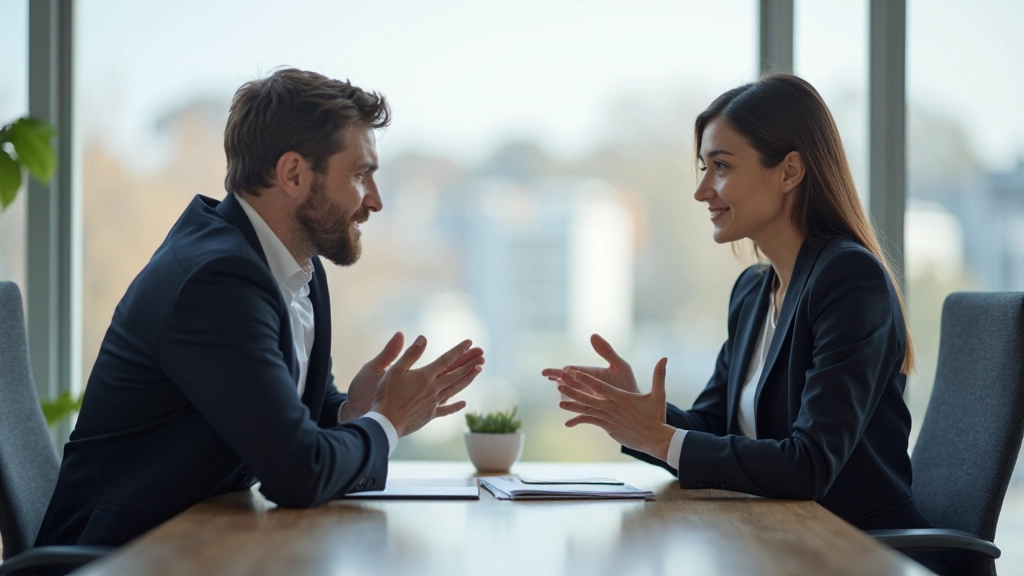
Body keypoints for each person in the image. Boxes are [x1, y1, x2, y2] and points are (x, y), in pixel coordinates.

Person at [35, 68, 485, 548]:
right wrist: (388, 422)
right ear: (293, 173)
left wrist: (352, 411)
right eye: (358, 175)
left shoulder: (296, 270)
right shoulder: (216, 280)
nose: (373, 200)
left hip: (201, 545)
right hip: (115, 558)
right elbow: (297, 474)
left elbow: (286, 424)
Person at [543, 74, 952, 572]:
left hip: (860, 554)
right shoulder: (754, 292)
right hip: (780, 547)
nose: (700, 191)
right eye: (703, 168)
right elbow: (714, 428)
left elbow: (809, 466)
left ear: (790, 171)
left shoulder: (849, 279)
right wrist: (639, 417)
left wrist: (658, 437)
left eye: (720, 167)